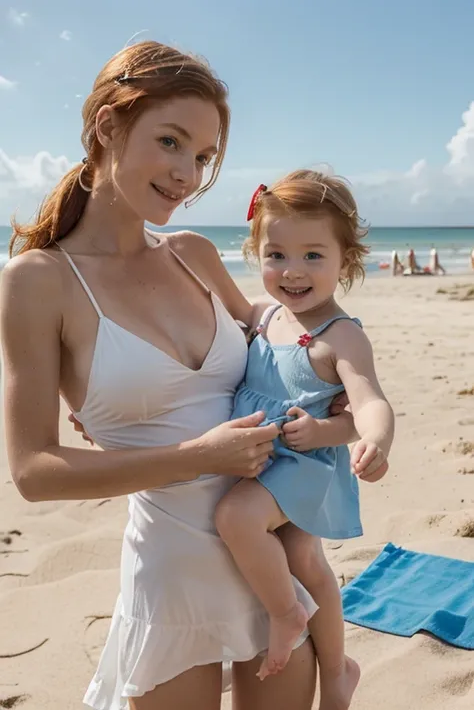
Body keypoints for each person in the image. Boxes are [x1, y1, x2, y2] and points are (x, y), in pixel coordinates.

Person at [0, 41, 355, 710]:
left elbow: (271, 329)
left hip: (271, 562)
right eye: (171, 142)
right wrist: (193, 456)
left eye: (203, 156)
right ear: (107, 124)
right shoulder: (38, 282)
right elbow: (33, 471)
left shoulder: (191, 253)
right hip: (173, 584)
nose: (188, 173)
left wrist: (339, 365)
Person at [215, 172, 394, 709]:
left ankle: (285, 615)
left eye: (314, 255)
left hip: (300, 464)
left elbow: (369, 400)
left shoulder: (339, 334)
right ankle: (339, 671)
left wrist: (374, 439)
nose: (292, 271)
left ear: (347, 260)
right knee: (303, 560)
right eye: (276, 254)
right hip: (262, 461)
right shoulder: (263, 314)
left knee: (235, 520)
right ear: (255, 253)